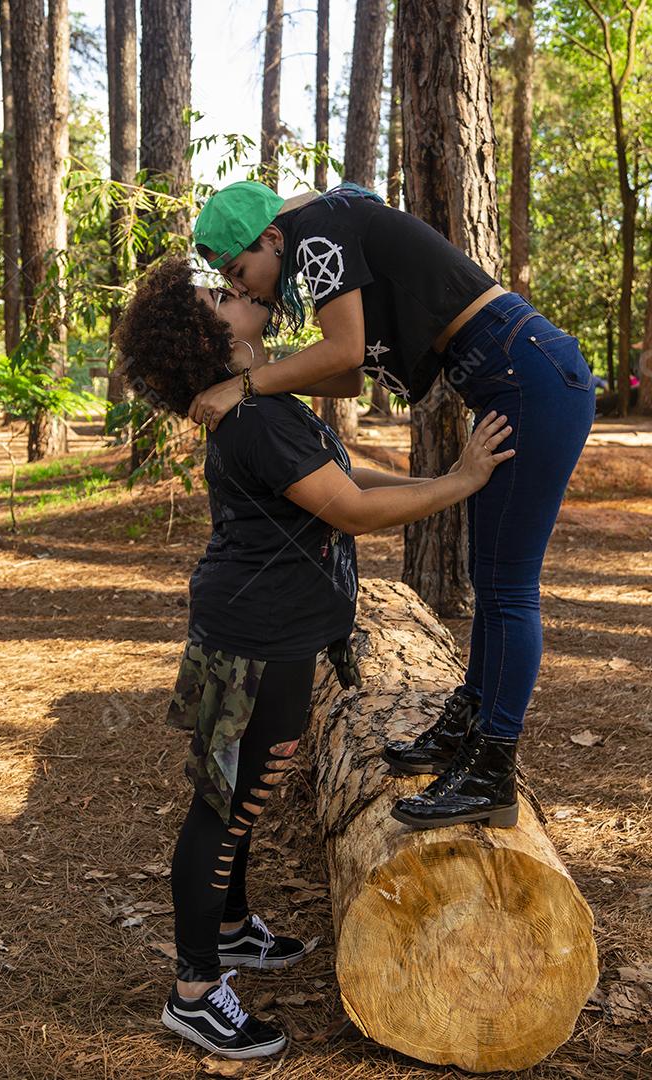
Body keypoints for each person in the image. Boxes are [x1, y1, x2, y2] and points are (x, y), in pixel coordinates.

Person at [112, 253, 514, 1060]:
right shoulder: (253, 420)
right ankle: (194, 991)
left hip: (266, 634)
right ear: (205, 339)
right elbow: (354, 511)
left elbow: (334, 477)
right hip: (251, 643)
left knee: (244, 794)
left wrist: (435, 475)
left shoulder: (262, 404)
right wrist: (462, 482)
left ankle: (229, 929)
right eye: (219, 298)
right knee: (225, 803)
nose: (239, 293)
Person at [189, 179, 597, 832]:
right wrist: (257, 388)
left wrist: (244, 383)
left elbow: (345, 352)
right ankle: (470, 725)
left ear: (270, 238)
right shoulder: (318, 234)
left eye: (240, 272)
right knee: (489, 580)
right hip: (511, 380)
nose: (247, 290)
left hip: (530, 377)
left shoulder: (315, 230)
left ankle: (493, 767)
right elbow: (350, 378)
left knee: (508, 587)